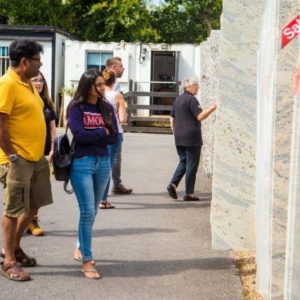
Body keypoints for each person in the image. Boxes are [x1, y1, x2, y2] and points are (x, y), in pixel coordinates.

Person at [0, 40, 53, 281]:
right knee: (13, 209)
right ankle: (9, 260)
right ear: (24, 62)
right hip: (17, 158)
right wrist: (12, 155)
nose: (40, 64)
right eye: (37, 60)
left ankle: (16, 247)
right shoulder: (7, 84)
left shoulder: (28, 84)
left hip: (36, 158)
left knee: (34, 205)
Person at [68, 69, 118, 279]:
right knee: (87, 211)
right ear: (87, 85)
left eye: (101, 84)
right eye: (96, 85)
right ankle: (87, 261)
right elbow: (78, 134)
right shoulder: (76, 107)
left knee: (93, 212)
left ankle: (80, 246)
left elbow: (114, 136)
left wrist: (97, 135)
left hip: (103, 162)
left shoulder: (106, 106)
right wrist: (101, 132)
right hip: (82, 163)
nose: (101, 88)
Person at [167, 76, 217, 201]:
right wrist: (213, 107)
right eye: (196, 85)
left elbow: (171, 118)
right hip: (192, 137)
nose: (198, 87)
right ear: (189, 86)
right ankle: (189, 193)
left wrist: (175, 131)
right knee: (192, 165)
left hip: (179, 136)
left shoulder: (178, 99)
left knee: (183, 161)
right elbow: (199, 116)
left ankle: (173, 184)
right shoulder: (192, 100)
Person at [26, 71, 57, 236]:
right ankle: (24, 220)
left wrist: (53, 149)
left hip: (44, 153)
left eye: (41, 81)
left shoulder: (48, 104)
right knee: (26, 190)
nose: (38, 83)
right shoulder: (26, 100)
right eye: (34, 80)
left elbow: (53, 130)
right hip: (26, 153)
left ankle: (33, 220)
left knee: (38, 190)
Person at [99, 69, 127, 209]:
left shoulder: (99, 94)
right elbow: (122, 119)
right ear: (114, 81)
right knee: (108, 166)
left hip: (99, 132)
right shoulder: (117, 96)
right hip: (115, 133)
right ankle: (103, 200)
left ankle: (97, 197)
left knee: (99, 165)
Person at [105, 57, 132, 194]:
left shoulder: (103, 82)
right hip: (114, 128)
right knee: (113, 157)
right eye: (121, 66)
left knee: (109, 157)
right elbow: (121, 115)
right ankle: (113, 186)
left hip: (103, 127)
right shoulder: (113, 86)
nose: (123, 68)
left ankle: (114, 184)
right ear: (113, 67)